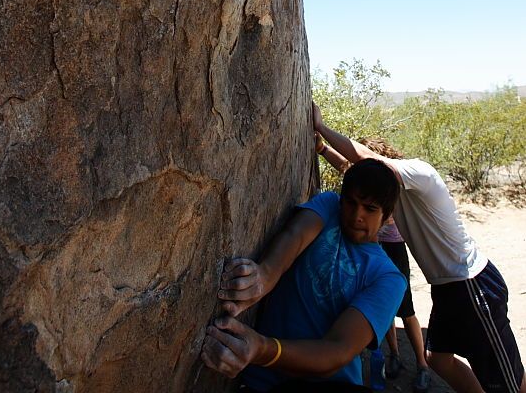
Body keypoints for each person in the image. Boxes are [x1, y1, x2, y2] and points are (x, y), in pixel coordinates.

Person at [313, 103, 526, 393]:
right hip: (448, 287)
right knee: (436, 359)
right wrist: (324, 149)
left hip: (472, 284)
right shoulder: (393, 195)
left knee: (505, 381)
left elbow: (364, 160)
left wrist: (321, 125)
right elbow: (354, 173)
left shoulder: (421, 173)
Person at [202, 158, 407, 391]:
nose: (356, 215)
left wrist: (262, 349)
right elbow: (295, 235)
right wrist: (264, 276)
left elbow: (336, 350)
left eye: (370, 209)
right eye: (351, 202)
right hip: (263, 382)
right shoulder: (330, 206)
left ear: (387, 214)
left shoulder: (388, 279)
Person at [316, 133, 431, 392]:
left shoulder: (392, 186)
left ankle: (422, 363)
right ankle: (394, 355)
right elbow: (346, 168)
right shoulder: (375, 185)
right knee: (383, 309)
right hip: (376, 245)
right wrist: (323, 149)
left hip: (394, 247)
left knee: (406, 308)